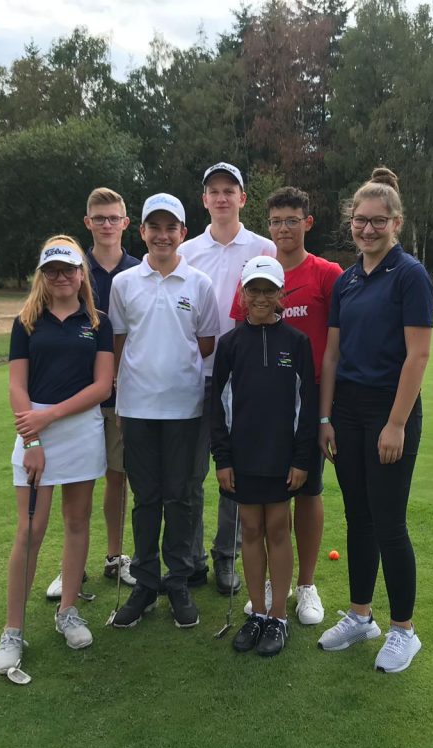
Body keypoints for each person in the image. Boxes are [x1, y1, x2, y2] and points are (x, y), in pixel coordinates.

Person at [317, 168, 433, 675]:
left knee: (389, 522)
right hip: (346, 411)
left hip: (390, 410)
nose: (367, 229)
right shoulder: (347, 280)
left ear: (396, 223)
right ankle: (360, 616)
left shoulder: (409, 275)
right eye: (360, 220)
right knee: (358, 518)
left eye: (378, 221)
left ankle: (403, 630)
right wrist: (325, 416)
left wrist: (396, 424)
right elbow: (332, 356)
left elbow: (418, 355)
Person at [0, 236, 114, 675]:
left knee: (77, 522)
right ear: (42, 276)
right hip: (35, 432)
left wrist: (51, 417)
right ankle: (13, 629)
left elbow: (102, 386)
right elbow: (17, 386)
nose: (61, 277)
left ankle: (67, 612)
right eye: (52, 271)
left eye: (68, 269)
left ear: (81, 274)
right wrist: (33, 440)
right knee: (31, 529)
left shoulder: (97, 323)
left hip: (80, 429)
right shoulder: (26, 322)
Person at [228, 186, 341, 625]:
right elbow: (241, 339)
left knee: (308, 491)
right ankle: (274, 585)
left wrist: (325, 413)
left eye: (292, 220)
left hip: (307, 404)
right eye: (275, 221)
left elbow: (337, 343)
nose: (283, 229)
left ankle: (306, 584)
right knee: (267, 507)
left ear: (307, 222)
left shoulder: (326, 274)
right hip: (262, 411)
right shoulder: (257, 274)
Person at [108, 194, 220, 629]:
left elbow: (205, 342)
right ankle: (146, 582)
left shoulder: (200, 284)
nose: (162, 235)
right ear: (141, 232)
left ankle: (177, 581)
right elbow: (120, 341)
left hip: (184, 407)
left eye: (170, 227)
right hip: (137, 407)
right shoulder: (124, 284)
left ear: (182, 233)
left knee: (180, 497)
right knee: (146, 498)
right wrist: (125, 394)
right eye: (154, 227)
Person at [212, 255, 317, 656]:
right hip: (242, 458)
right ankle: (257, 612)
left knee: (277, 529)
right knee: (251, 531)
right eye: (253, 290)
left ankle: (278, 617)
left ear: (280, 294)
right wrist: (223, 459)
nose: (260, 297)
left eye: (268, 290)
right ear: (243, 294)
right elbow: (218, 407)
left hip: (282, 458)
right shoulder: (230, 345)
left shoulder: (297, 343)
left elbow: (306, 407)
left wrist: (301, 459)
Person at [179, 162, 276, 596]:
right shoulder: (187, 250)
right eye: (214, 191)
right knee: (192, 472)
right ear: (204, 200)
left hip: (242, 377)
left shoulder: (263, 247)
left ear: (242, 198)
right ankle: (191, 559)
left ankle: (226, 556)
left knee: (233, 473)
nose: (221, 197)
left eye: (229, 190)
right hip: (194, 373)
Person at [44, 188, 140, 601]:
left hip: (122, 396)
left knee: (117, 476)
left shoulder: (138, 270)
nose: (106, 224)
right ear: (88, 223)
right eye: (99, 218)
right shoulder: (71, 268)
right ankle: (72, 567)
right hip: (75, 397)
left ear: (125, 223)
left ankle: (115, 557)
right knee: (73, 481)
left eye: (113, 217)